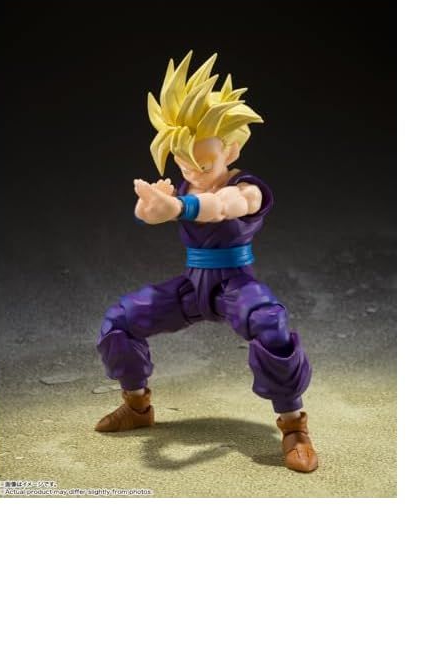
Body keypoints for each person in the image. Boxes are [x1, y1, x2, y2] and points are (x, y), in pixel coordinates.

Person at [95, 51, 317, 472]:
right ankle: (137, 406)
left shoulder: (248, 188)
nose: (192, 171)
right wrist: (151, 207)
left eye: (203, 161)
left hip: (235, 284)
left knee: (270, 325)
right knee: (119, 320)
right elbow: (155, 212)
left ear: (231, 148)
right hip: (191, 286)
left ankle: (294, 427)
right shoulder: (185, 185)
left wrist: (179, 208)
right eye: (183, 161)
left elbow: (223, 206)